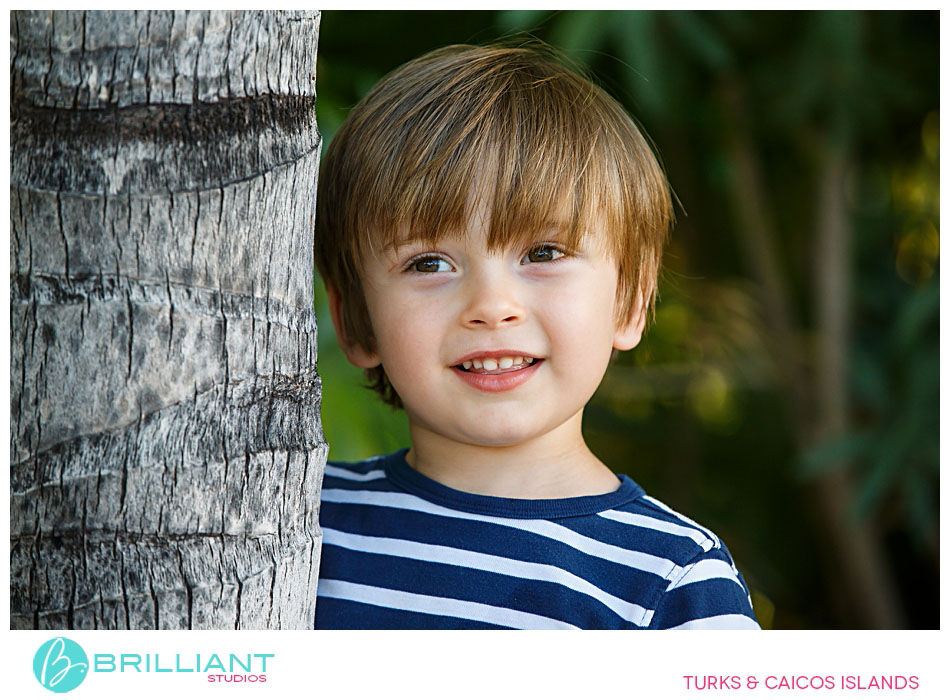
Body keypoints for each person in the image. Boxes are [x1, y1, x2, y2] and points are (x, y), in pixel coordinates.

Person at [312, 43, 759, 630]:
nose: (492, 307)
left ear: (630, 299)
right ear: (355, 320)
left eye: (543, 254)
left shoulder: (672, 584)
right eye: (429, 263)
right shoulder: (297, 524)